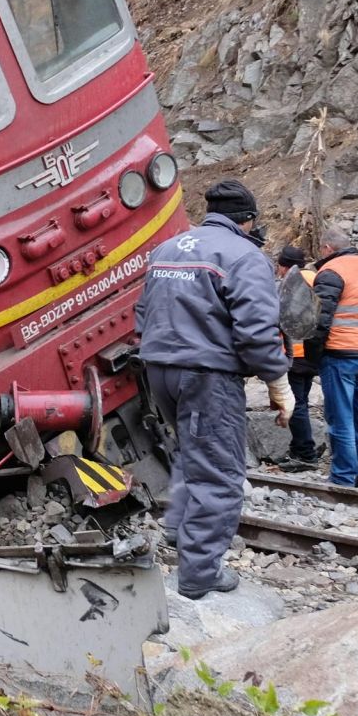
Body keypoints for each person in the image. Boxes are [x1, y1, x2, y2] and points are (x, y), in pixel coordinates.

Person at [135, 180, 292, 599]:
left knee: (191, 452)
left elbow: (142, 312)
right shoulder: (244, 256)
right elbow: (257, 332)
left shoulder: (168, 249)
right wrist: (277, 380)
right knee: (219, 473)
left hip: (159, 371)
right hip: (207, 376)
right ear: (249, 219)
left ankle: (178, 534)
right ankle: (199, 575)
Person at [312, 225, 358, 489]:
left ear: (327, 249)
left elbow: (320, 319)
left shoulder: (332, 271)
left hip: (341, 352)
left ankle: (343, 477)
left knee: (340, 416)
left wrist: (313, 355)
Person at [274, 244, 323, 468]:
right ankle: (299, 448)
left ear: (284, 267)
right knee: (301, 400)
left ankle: (305, 453)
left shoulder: (289, 283)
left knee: (297, 403)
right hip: (314, 352)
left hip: (296, 353)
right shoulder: (317, 277)